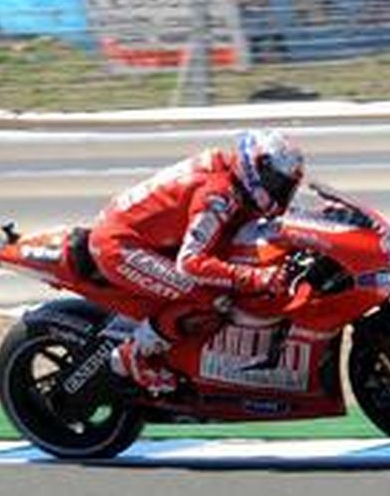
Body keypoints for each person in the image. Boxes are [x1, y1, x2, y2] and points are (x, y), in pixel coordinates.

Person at [87, 129, 306, 395]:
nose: (279, 193)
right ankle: (132, 356)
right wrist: (255, 278)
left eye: (286, 187)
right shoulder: (218, 196)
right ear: (255, 167)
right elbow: (191, 263)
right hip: (121, 246)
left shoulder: (230, 173)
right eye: (276, 183)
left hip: (146, 237)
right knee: (209, 298)